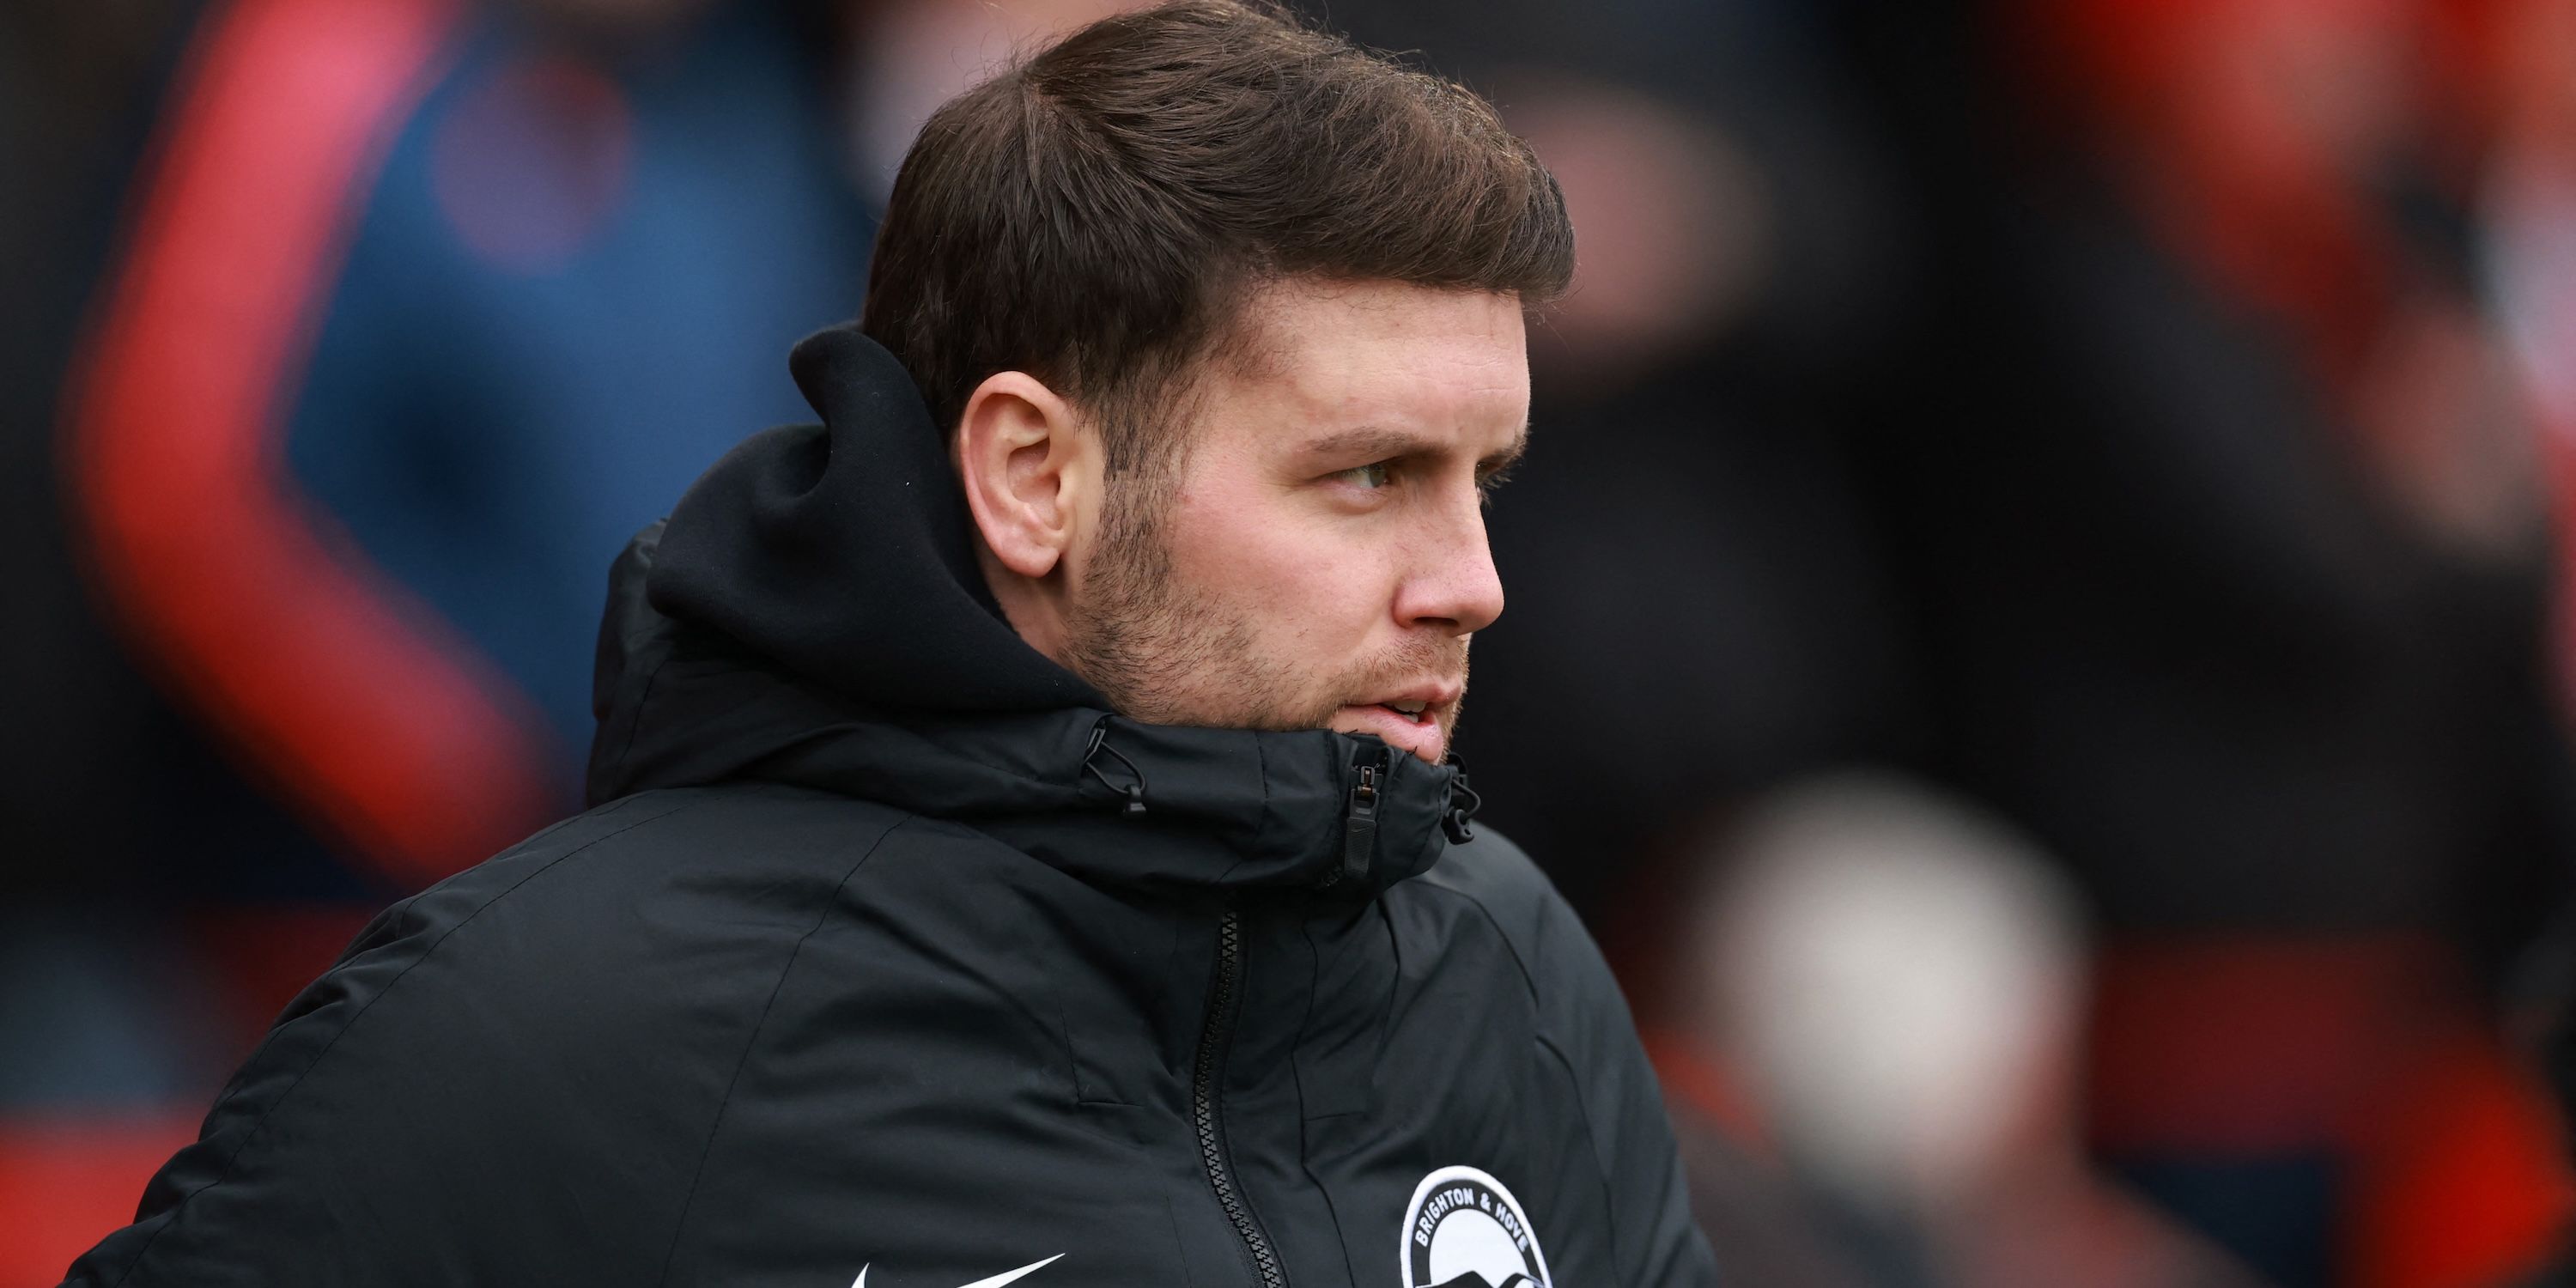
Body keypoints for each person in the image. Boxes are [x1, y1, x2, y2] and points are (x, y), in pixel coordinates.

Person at [61, 3, 1721, 1285]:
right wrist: (451, 774)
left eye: (1481, 481)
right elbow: (177, 479)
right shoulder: (540, 1039)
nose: (1474, 581)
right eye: (1367, 477)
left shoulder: (1514, 981)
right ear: (1032, 476)